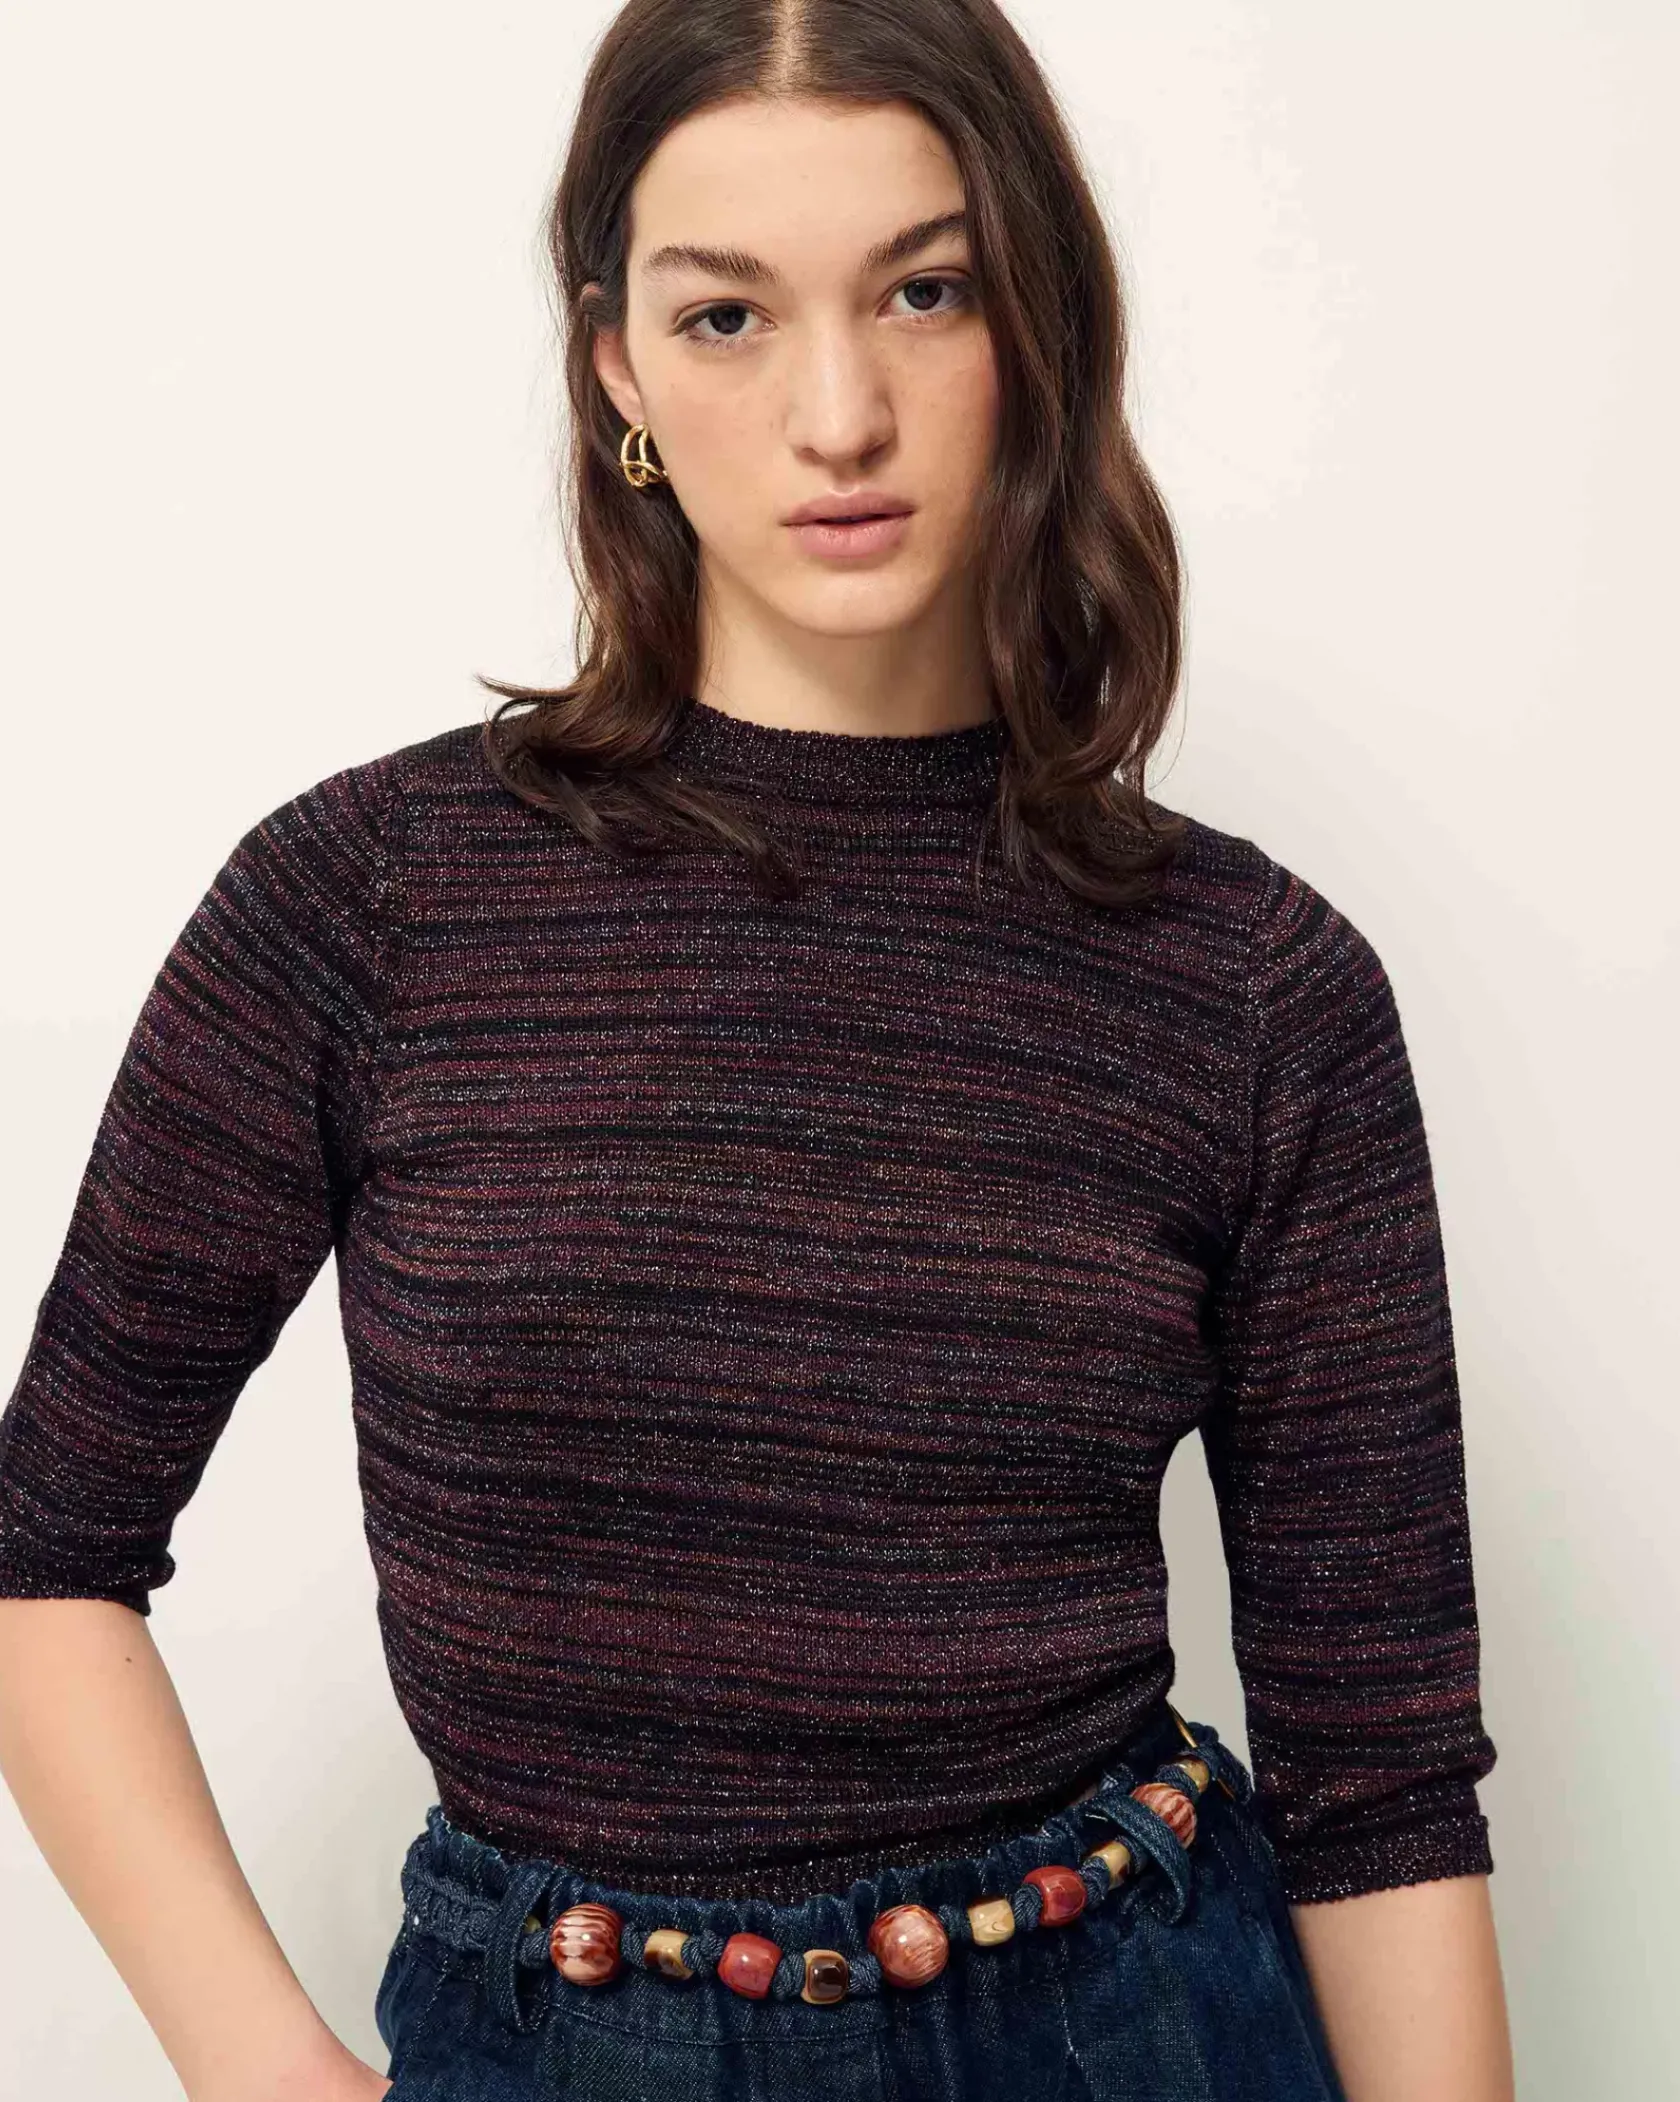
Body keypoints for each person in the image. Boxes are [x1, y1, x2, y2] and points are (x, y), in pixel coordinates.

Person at [0, 1, 1515, 2097]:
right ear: (616, 364)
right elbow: (48, 1549)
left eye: (924, 291)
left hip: (1134, 2026)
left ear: (1039, 319)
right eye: (728, 316)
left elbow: (1380, 1767)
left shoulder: (1257, 982)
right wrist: (264, 2071)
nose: (839, 415)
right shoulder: (362, 902)